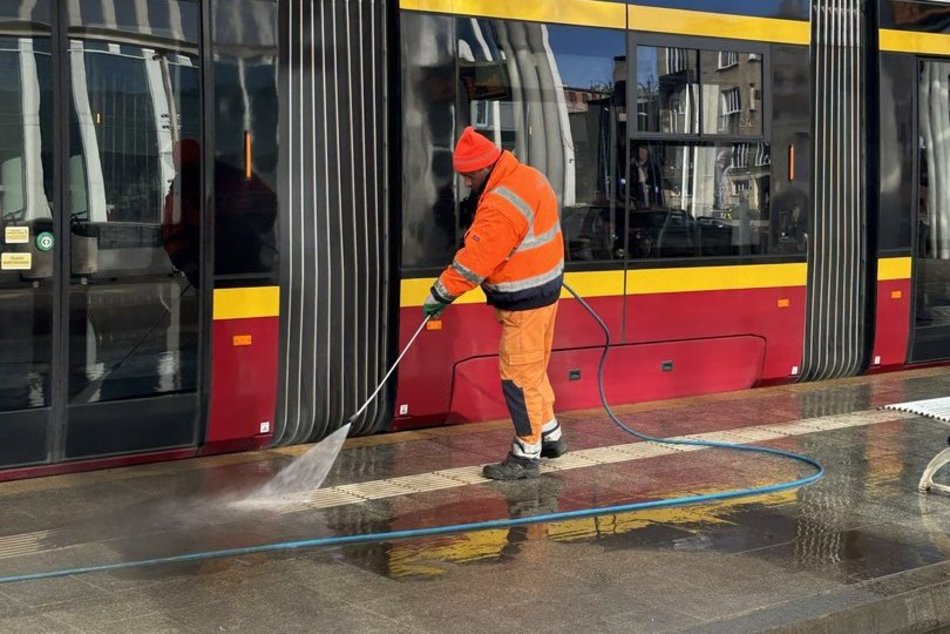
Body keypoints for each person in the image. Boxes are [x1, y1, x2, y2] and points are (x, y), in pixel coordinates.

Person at [423, 126, 567, 480]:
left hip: (525, 302)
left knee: (518, 376)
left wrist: (440, 293)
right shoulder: (529, 177)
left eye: (470, 175)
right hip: (545, 291)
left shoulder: (501, 203)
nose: (467, 182)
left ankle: (526, 454)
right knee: (533, 370)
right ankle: (550, 435)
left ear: (486, 167)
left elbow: (474, 261)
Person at [630, 145, 662, 209]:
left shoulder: (653, 168)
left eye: (645, 149)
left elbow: (657, 187)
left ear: (648, 151)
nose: (642, 151)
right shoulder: (632, 167)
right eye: (641, 148)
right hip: (635, 203)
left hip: (650, 204)